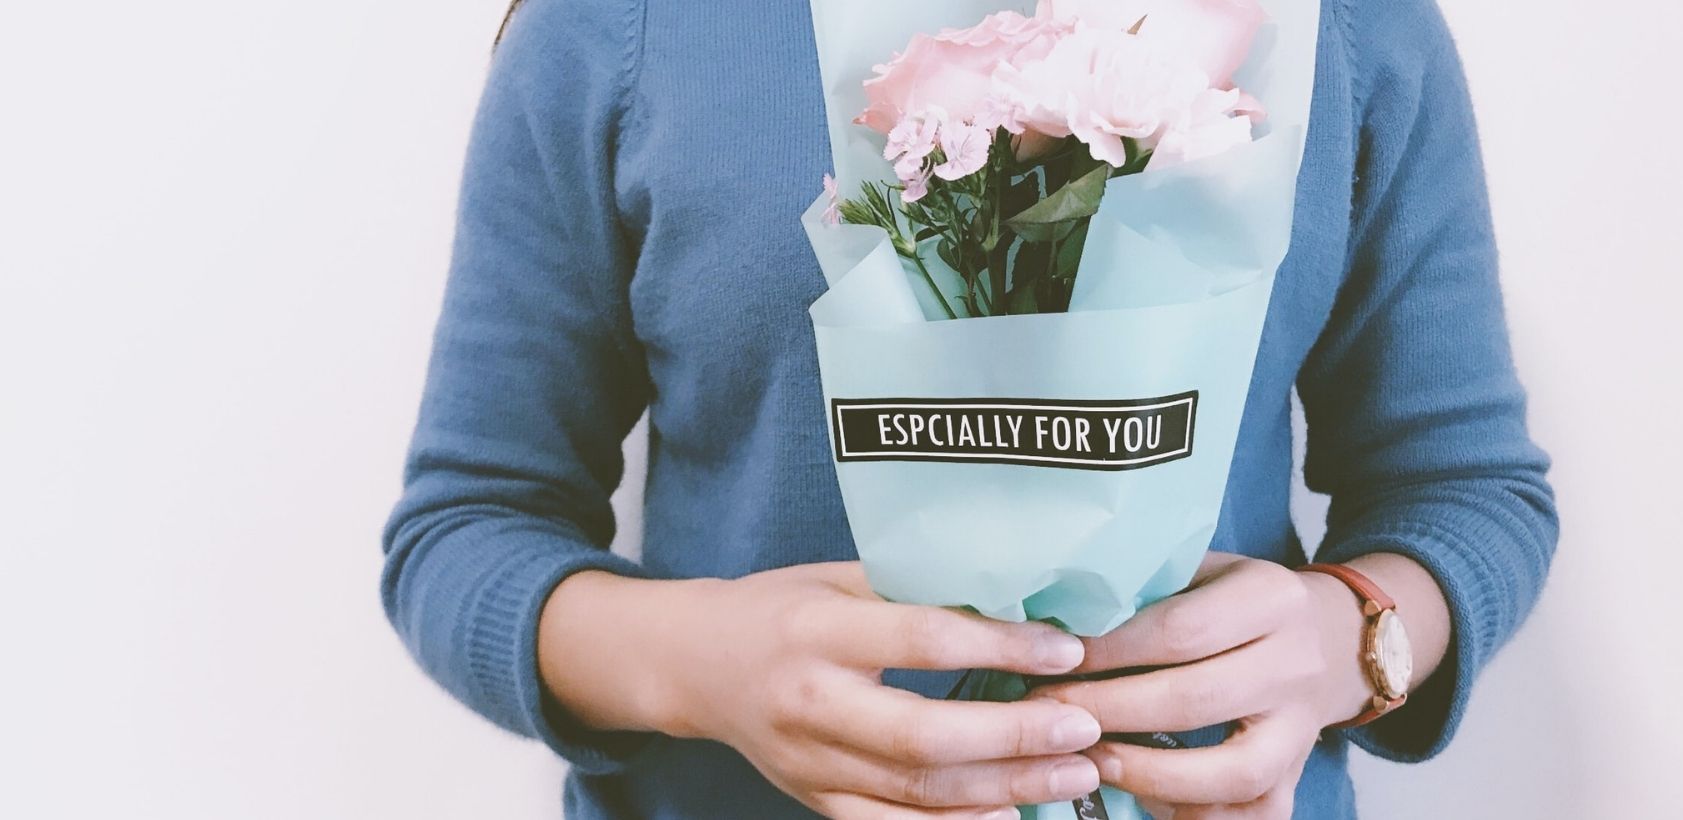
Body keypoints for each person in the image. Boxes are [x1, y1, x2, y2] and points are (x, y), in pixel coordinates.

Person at [381, 0, 1558, 817]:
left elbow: (1461, 487)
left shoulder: (1341, 30)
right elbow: (466, 525)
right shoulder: (617, 31)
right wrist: (704, 667)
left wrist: (1354, 640)